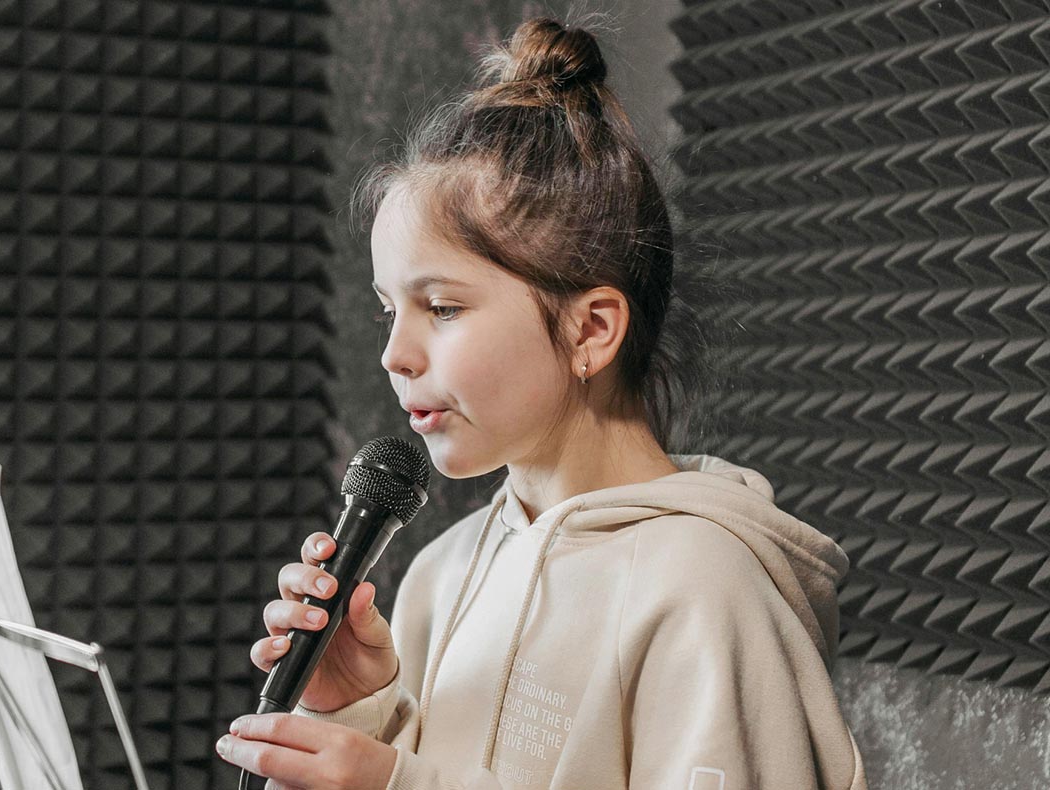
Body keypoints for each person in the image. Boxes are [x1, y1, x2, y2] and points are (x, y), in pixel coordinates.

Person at [216, 14, 868, 790]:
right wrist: (364, 712)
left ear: (591, 330)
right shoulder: (440, 575)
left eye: (443, 307)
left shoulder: (705, 591)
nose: (394, 355)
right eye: (390, 310)